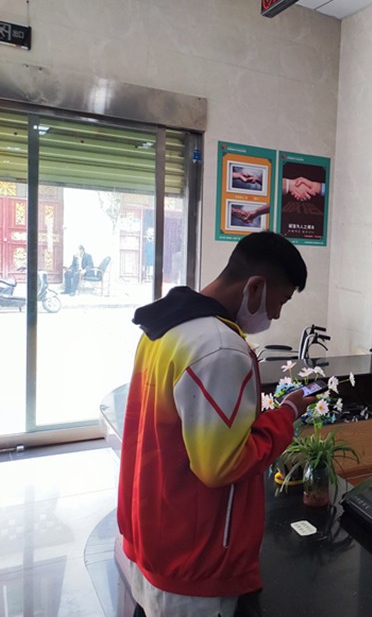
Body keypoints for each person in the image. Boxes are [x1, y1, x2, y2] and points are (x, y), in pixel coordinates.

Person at [117, 231, 315, 617]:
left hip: (154, 534)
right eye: (280, 301)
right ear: (255, 287)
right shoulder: (220, 347)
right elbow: (221, 465)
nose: (276, 315)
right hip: (197, 560)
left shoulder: (165, 327)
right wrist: (287, 414)